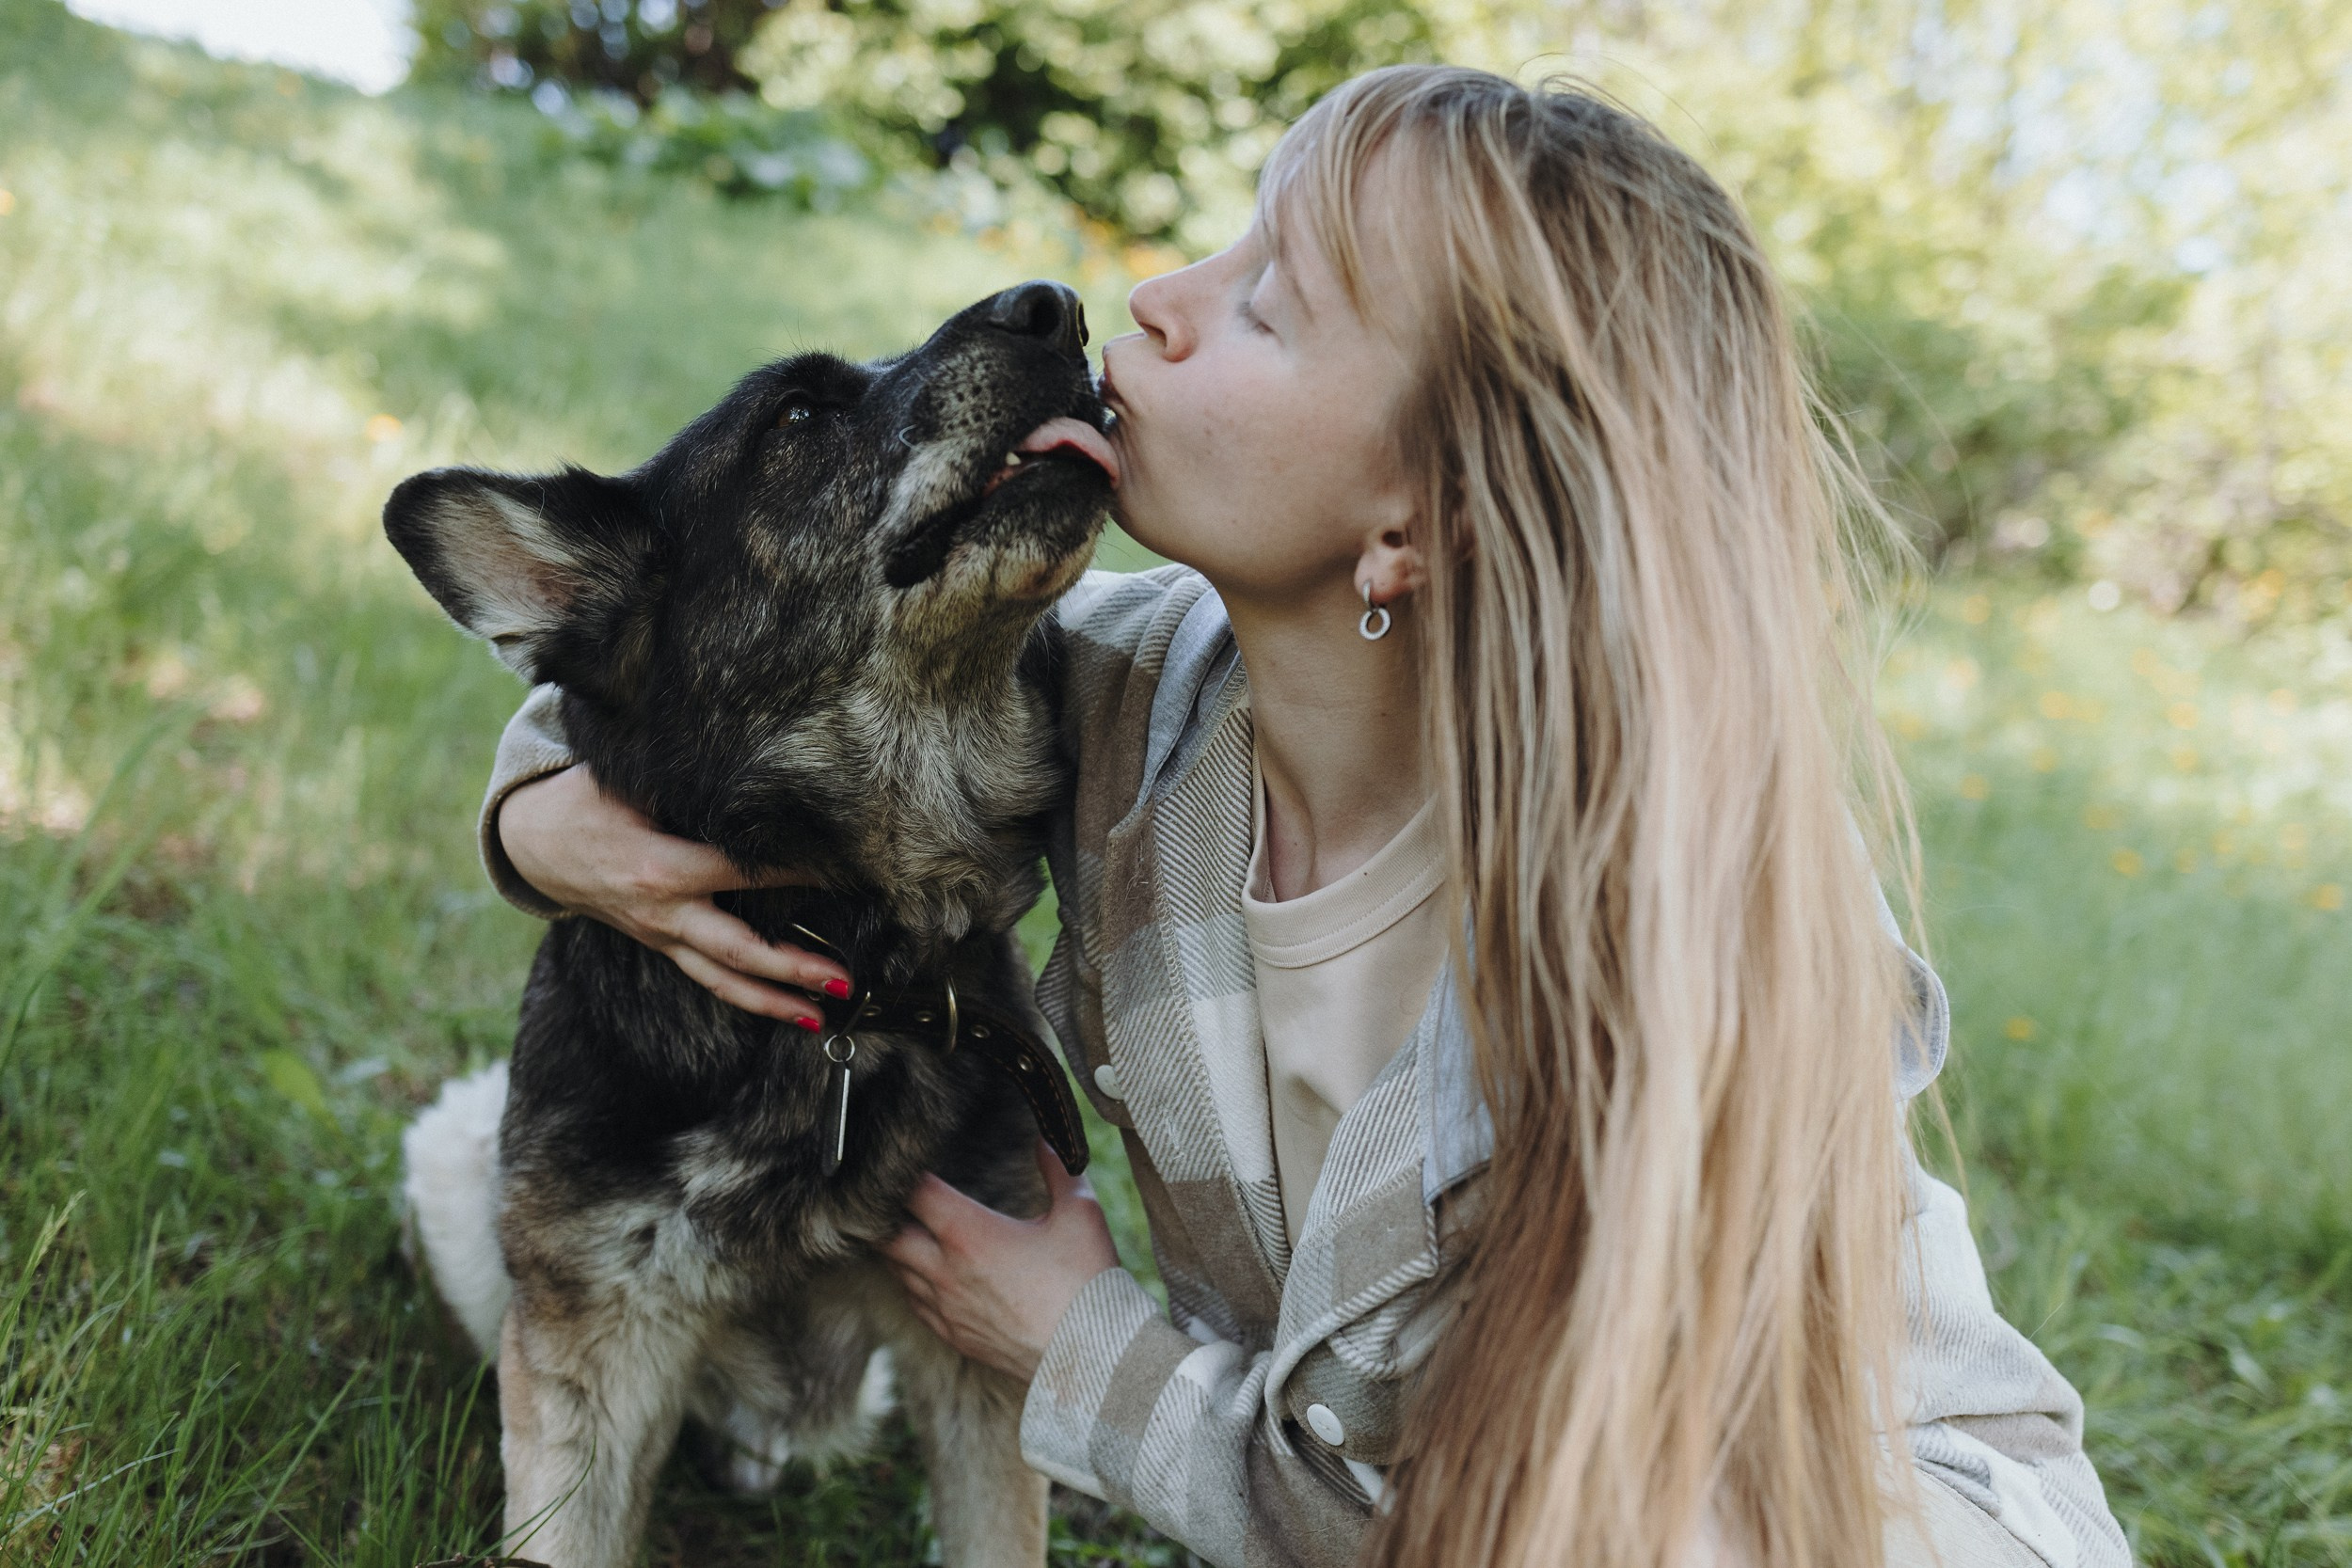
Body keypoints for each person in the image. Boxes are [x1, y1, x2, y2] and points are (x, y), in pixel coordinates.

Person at [476, 66, 2127, 1568]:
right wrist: (547, 827)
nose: (1155, 300)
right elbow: (750, 661)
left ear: (1422, 517)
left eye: (1267, 303)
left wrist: (1086, 1352)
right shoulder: (1130, 702)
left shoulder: (1663, 945)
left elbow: (1458, 1529)